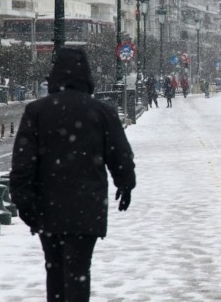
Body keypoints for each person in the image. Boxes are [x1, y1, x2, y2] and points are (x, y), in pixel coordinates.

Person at [9, 48, 136, 302]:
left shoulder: (37, 111)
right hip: (87, 208)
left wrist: (24, 202)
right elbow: (120, 155)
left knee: (54, 270)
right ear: (87, 77)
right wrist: (125, 184)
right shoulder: (102, 111)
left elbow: (22, 164)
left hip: (48, 208)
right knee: (79, 270)